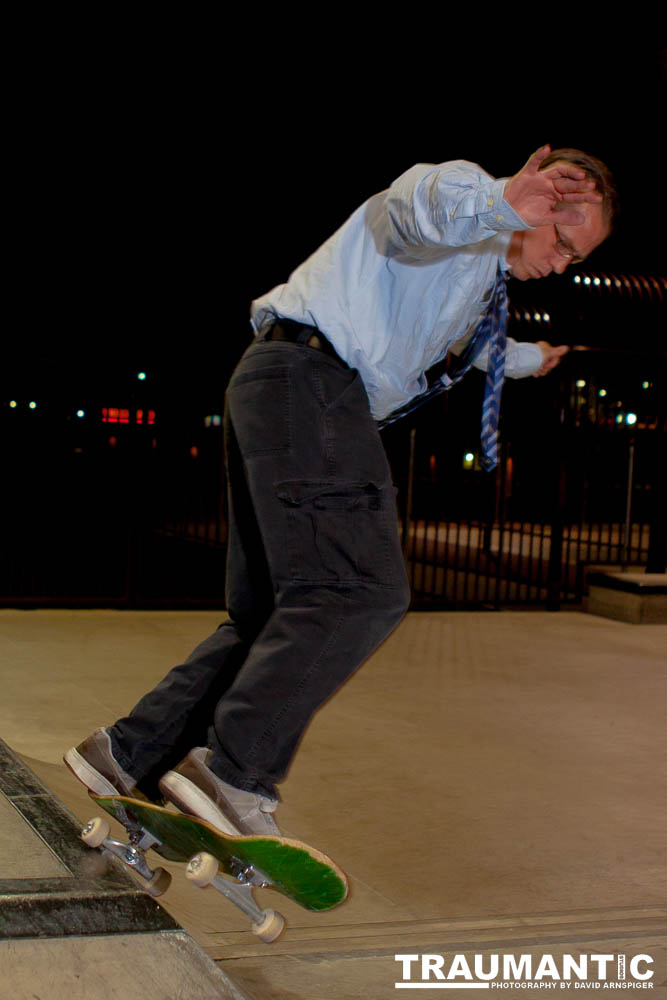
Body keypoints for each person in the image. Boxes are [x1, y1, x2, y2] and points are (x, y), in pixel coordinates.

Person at [65, 145, 616, 837]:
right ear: (537, 198)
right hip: (314, 387)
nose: (561, 264)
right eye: (562, 242)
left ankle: (126, 752)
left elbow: (465, 342)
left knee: (269, 611)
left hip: (277, 381)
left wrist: (531, 360)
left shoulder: (473, 275)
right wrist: (505, 197)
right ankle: (234, 775)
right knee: (357, 589)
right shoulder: (463, 195)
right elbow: (419, 207)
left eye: (574, 257)